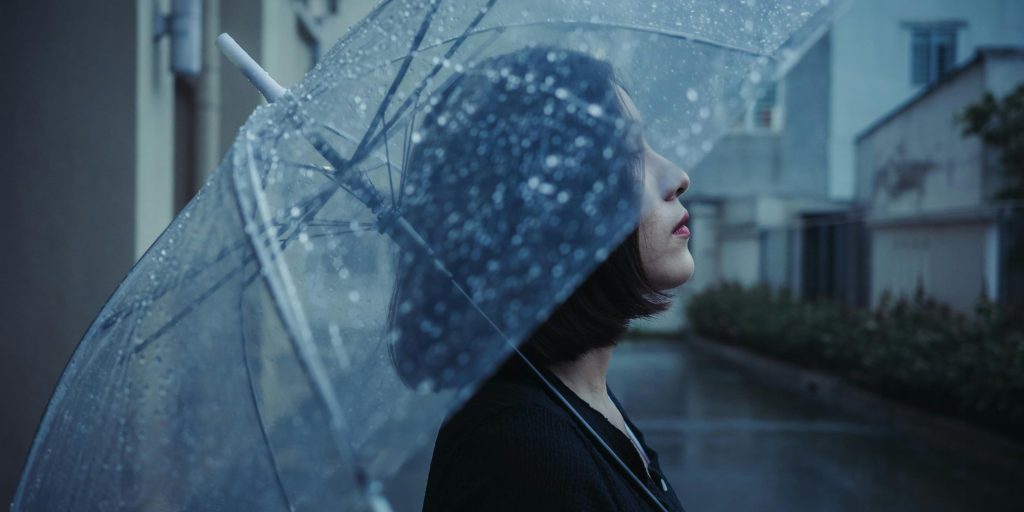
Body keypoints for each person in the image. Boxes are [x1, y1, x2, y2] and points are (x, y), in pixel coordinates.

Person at [388, 46, 692, 511]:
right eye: (630, 153)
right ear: (550, 210)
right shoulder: (525, 459)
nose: (677, 176)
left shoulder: (577, 401)